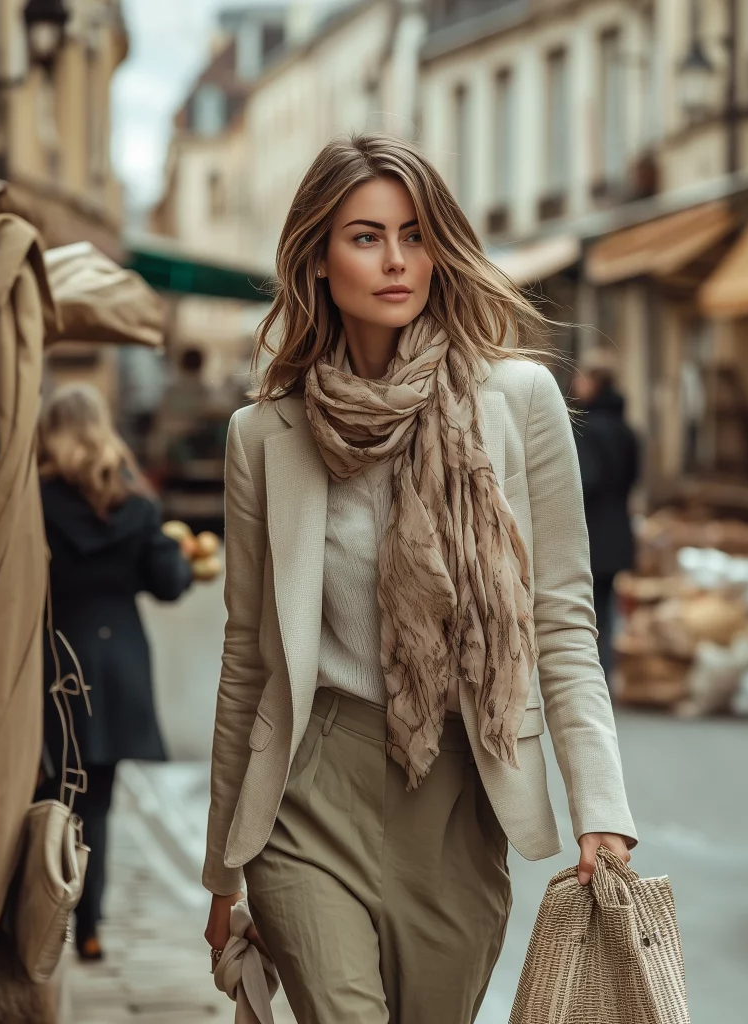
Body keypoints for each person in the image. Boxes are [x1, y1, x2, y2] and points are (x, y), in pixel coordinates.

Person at [203, 133, 638, 1023]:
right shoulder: (264, 438)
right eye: (365, 237)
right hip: (310, 794)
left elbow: (561, 621)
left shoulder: (517, 402)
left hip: (460, 797)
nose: (397, 260)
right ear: (318, 259)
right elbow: (247, 657)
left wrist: (602, 804)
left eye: (414, 234)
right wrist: (224, 868)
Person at [36, 383, 193, 962]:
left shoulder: (32, 502)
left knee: (50, 793)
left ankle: (42, 915)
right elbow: (170, 584)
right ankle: (91, 925)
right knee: (95, 802)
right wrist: (175, 554)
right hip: (118, 666)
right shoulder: (136, 506)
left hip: (53, 663)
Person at [570, 347, 640, 688]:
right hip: (618, 531)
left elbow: (584, 482)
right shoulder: (627, 430)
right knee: (606, 606)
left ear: (594, 382)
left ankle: (588, 681)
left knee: (586, 610)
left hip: (590, 533)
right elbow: (632, 479)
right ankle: (605, 674)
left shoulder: (586, 427)